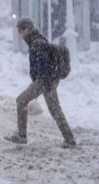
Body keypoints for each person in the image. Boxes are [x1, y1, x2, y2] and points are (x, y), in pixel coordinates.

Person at [5, 18, 76, 148]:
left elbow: (46, 65)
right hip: (49, 81)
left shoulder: (37, 43)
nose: (19, 34)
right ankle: (69, 140)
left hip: (44, 81)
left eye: (20, 30)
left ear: (27, 29)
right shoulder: (37, 40)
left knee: (21, 100)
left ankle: (21, 135)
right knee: (55, 110)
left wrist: (45, 84)